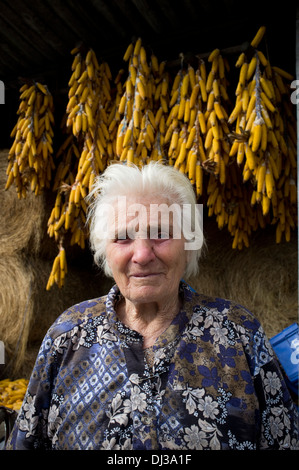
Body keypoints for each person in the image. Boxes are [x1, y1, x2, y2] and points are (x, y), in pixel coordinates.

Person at [6, 162, 299, 450]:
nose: (143, 255)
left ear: (188, 244)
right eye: (123, 237)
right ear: (104, 250)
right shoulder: (68, 335)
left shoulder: (239, 332)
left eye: (160, 233)